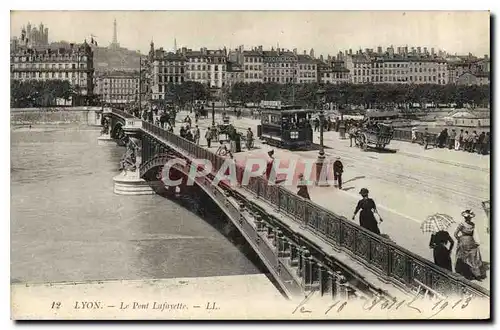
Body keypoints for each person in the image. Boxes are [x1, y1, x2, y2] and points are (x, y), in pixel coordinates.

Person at [454, 210, 486, 280]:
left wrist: (460, 239)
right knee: (467, 257)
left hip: (469, 241)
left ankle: (474, 274)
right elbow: (455, 234)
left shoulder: (471, 224)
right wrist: (460, 240)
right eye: (467, 218)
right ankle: (468, 273)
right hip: (466, 241)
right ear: (465, 218)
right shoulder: (464, 224)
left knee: (471, 256)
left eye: (468, 218)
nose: (468, 219)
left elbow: (456, 234)